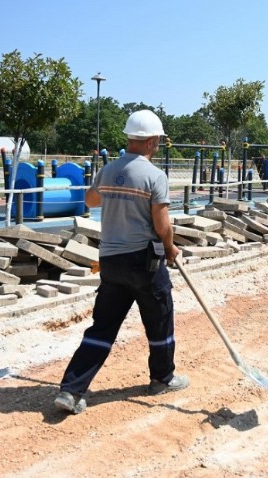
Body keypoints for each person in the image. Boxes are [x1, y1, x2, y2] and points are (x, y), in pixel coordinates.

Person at [54, 110, 185, 415]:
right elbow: (162, 222)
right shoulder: (154, 175)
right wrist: (170, 248)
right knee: (160, 318)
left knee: (102, 328)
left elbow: (91, 200)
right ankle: (161, 379)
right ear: (152, 141)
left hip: (110, 260)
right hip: (144, 262)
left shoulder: (108, 171)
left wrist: (115, 192)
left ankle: (71, 391)